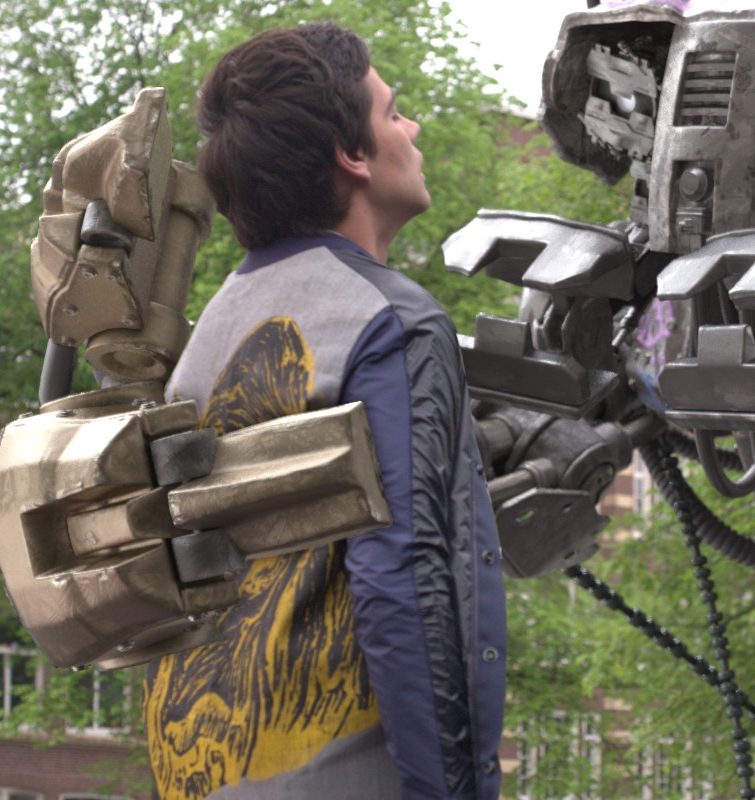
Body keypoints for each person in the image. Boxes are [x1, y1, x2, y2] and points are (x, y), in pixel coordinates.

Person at [141, 23, 505, 800]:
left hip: (204, 770)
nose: (412, 129)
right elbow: (404, 574)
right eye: (393, 112)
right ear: (353, 155)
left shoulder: (210, 333)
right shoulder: (389, 319)